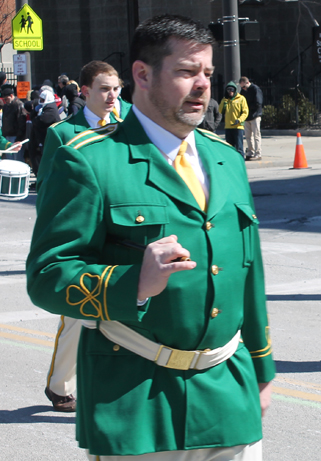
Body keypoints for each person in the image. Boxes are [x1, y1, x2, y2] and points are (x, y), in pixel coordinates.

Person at [27, 13, 275, 460]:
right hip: (135, 394)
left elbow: (249, 272)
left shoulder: (226, 160)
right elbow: (48, 275)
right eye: (185, 72)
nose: (203, 85)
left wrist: (262, 366)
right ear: (141, 74)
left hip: (227, 389)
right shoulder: (90, 160)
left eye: (208, 73)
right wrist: (132, 284)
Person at [35, 60, 127, 413]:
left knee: (126, 308)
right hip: (82, 237)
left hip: (123, 231)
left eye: (116, 88)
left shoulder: (129, 122)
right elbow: (47, 188)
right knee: (77, 312)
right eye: (105, 89)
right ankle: (60, 386)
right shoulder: (64, 133)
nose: (112, 96)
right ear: (85, 92)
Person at [28, 90, 60, 175]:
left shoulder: (51, 109)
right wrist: (35, 111)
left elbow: (41, 121)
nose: (41, 102)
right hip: (41, 139)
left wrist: (35, 118)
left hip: (47, 139)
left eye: (43, 100)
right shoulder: (44, 108)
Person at [219, 81, 248, 157]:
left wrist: (239, 120)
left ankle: (241, 163)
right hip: (228, 127)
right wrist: (224, 102)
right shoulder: (225, 100)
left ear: (235, 90)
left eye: (232, 90)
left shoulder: (241, 99)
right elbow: (220, 110)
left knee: (239, 148)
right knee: (230, 147)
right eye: (228, 90)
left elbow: (245, 112)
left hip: (238, 127)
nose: (230, 92)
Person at [1, 85, 27, 161]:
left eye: (6, 99)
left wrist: (19, 137)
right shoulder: (6, 106)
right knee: (9, 160)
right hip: (7, 135)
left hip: (15, 136)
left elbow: (21, 123)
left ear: (11, 96)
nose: (5, 101)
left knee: (17, 159)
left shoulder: (18, 104)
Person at [239, 76, 263, 161]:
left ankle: (258, 153)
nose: (243, 89)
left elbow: (258, 103)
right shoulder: (243, 91)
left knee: (256, 135)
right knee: (248, 136)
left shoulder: (255, 89)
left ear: (247, 82)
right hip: (247, 116)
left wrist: (247, 108)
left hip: (255, 115)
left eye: (244, 87)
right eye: (242, 87)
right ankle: (250, 151)